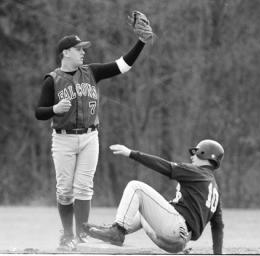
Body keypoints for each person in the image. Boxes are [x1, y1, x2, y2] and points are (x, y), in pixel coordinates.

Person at [34, 11, 153, 252]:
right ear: (66, 52)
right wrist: (54, 108)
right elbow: (39, 112)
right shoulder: (53, 80)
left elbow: (123, 65)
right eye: (79, 49)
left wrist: (140, 42)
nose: (83, 52)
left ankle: (81, 235)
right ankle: (67, 235)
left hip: (90, 137)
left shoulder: (92, 72)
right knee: (65, 191)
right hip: (63, 140)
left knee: (84, 187)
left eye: (83, 49)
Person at [83, 139, 225, 254]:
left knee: (135, 187)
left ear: (204, 153)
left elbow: (164, 166)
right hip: (178, 242)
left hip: (174, 229)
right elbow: (218, 226)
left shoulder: (197, 172)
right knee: (140, 206)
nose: (192, 156)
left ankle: (117, 231)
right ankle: (115, 230)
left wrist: (131, 153)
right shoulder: (215, 189)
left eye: (195, 152)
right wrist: (217, 254)